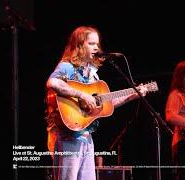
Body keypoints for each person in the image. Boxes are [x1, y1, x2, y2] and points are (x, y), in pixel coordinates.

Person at [45, 25, 146, 180]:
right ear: (79, 45)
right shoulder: (68, 66)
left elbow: (106, 103)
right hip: (68, 137)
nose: (96, 48)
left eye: (97, 44)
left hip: (86, 138)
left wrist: (133, 95)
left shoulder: (93, 75)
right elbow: (52, 83)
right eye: (91, 44)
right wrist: (81, 95)